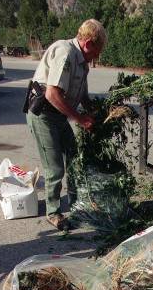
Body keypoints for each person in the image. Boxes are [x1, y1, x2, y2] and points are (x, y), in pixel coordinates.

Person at [26, 19, 107, 230]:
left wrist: (94, 109)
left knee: (74, 155)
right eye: (96, 51)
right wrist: (80, 119)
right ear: (88, 43)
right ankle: (53, 212)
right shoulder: (65, 53)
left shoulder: (82, 62)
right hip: (44, 115)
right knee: (54, 168)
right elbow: (52, 94)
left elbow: (81, 94)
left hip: (59, 115)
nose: (96, 57)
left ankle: (76, 203)